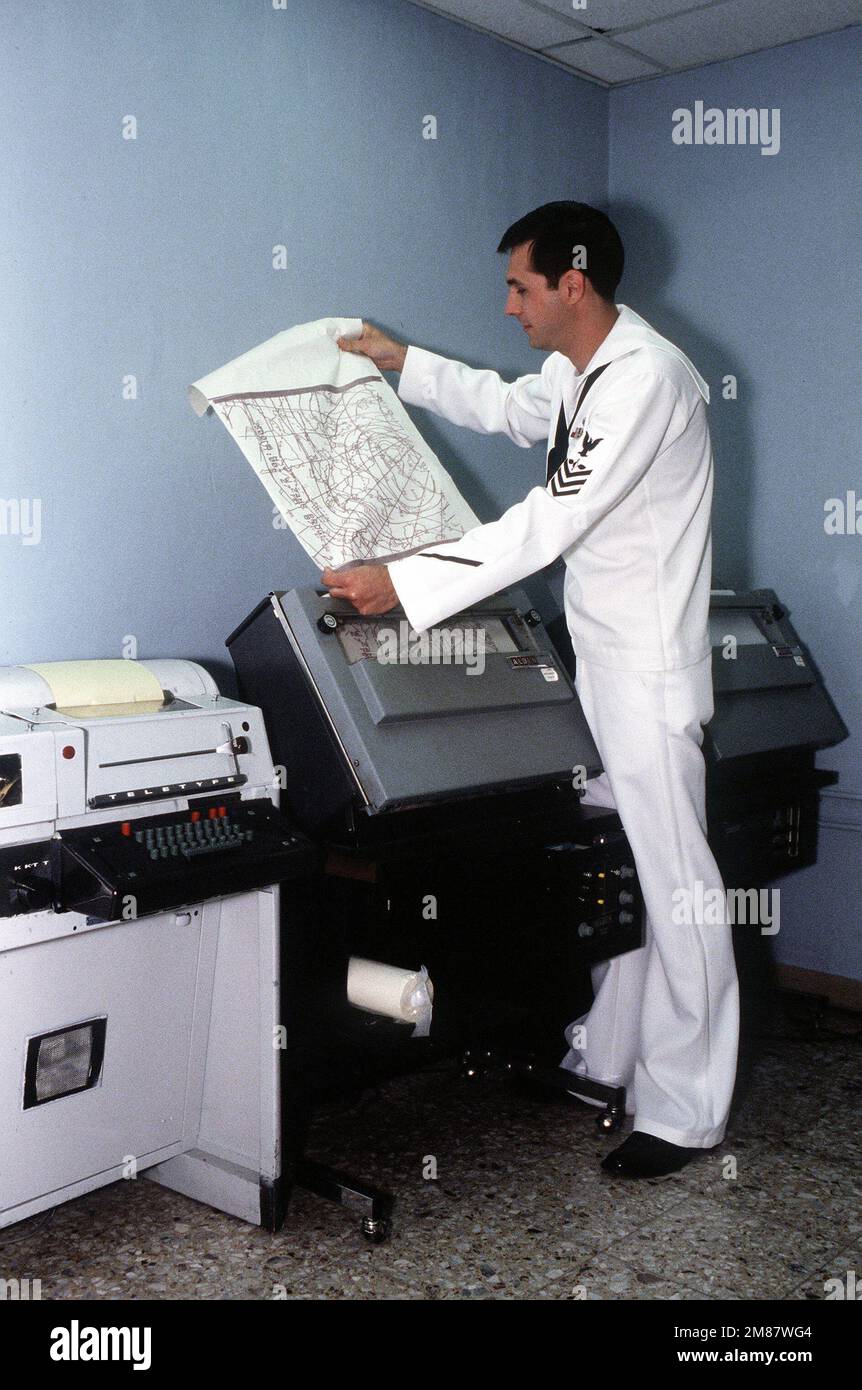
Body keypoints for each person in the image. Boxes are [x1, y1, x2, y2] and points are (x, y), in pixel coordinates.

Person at [322, 201, 739, 1178]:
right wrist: (400, 363)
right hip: (598, 665)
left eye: (519, 285)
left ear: (572, 282)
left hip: (646, 673)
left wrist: (408, 583)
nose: (509, 304)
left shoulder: (645, 381)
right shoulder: (578, 374)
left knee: (677, 889)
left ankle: (686, 1112)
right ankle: (607, 1054)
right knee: (618, 874)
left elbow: (546, 521)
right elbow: (509, 405)